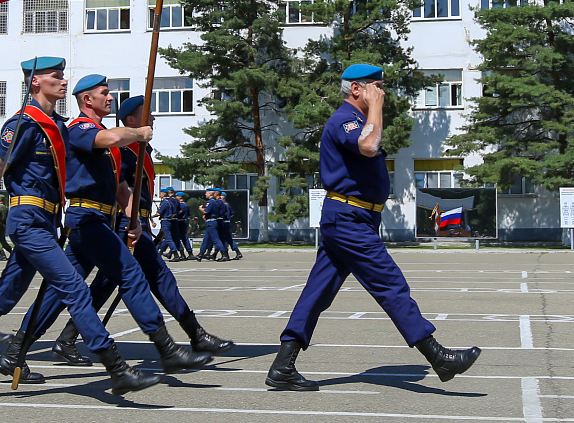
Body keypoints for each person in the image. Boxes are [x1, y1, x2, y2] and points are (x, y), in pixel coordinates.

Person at [0, 58, 163, 403]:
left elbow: (98, 143)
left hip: (47, 222)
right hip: (27, 218)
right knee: (74, 289)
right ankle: (116, 367)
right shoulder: (23, 124)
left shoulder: (57, 125)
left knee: (1, 299)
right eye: (56, 77)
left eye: (63, 76)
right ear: (35, 82)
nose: (63, 82)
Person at [266, 64, 481, 391]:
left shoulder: (358, 121)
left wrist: (376, 109)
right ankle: (438, 357)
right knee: (390, 283)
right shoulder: (345, 120)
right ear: (357, 89)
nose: (382, 92)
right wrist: (376, 108)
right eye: (376, 86)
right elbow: (368, 146)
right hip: (349, 218)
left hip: (353, 218)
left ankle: (283, 365)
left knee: (317, 292)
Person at [12, 75, 212, 377]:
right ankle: (166, 349)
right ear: (87, 100)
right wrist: (137, 133)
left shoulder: (107, 136)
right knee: (130, 275)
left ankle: (15, 353)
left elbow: (120, 188)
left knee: (57, 292)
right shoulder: (79, 128)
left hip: (102, 221)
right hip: (85, 218)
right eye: (104, 94)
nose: (110, 99)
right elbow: (107, 139)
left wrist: (135, 221)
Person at [46, 94, 235, 366]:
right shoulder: (123, 150)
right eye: (147, 115)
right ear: (131, 120)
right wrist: (130, 221)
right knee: (147, 278)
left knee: (117, 282)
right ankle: (190, 338)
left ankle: (65, 339)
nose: (154, 119)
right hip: (121, 223)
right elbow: (117, 189)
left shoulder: (141, 150)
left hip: (136, 223)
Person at [198, 188, 228, 261]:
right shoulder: (215, 202)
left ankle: (224, 254)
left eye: (206, 193)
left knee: (216, 239)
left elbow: (206, 211)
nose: (205, 194)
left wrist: (201, 209)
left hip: (211, 222)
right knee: (206, 239)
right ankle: (200, 254)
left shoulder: (211, 202)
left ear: (210, 194)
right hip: (211, 222)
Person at [156, 188, 183, 261]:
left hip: (165, 221)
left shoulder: (165, 202)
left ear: (164, 194)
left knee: (168, 238)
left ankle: (175, 254)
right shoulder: (171, 201)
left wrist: (153, 216)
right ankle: (155, 251)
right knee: (159, 237)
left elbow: (159, 212)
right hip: (170, 221)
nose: (160, 194)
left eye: (161, 193)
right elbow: (176, 211)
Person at [218, 191, 243, 260]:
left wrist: (225, 217)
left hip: (224, 222)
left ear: (223, 197)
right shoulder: (227, 204)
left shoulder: (223, 204)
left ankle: (226, 254)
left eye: (221, 196)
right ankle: (237, 252)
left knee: (224, 239)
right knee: (228, 239)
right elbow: (232, 213)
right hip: (227, 222)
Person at [175, 192, 197, 260]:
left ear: (180, 197)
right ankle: (189, 253)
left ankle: (182, 254)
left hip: (180, 222)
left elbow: (179, 213)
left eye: (177, 196)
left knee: (178, 238)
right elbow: (189, 214)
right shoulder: (186, 204)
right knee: (184, 238)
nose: (176, 198)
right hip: (184, 221)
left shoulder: (181, 204)